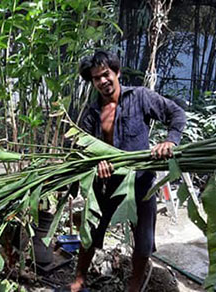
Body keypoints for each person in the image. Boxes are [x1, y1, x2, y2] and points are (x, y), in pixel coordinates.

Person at [67, 50, 186, 292]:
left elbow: (176, 113)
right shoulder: (91, 114)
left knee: (143, 243)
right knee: (89, 233)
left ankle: (134, 286)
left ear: (116, 72)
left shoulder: (140, 97)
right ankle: (79, 279)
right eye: (96, 78)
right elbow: (82, 149)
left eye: (105, 74)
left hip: (140, 182)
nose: (102, 81)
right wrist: (95, 163)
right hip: (107, 183)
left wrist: (170, 141)